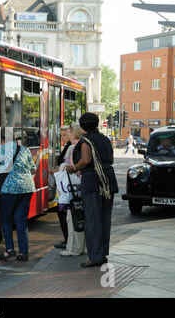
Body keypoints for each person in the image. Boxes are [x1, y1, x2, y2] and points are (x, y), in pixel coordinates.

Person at [65, 113, 119, 267]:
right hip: (108, 180)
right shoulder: (105, 139)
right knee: (104, 219)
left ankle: (95, 256)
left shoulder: (86, 141)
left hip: (93, 181)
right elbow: (112, 160)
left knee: (92, 219)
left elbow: (86, 160)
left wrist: (73, 167)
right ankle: (102, 254)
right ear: (96, 124)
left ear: (82, 127)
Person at [0, 129, 36, 261]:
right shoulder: (24, 149)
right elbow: (33, 169)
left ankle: (9, 250)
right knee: (21, 221)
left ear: (2, 140)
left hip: (10, 188)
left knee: (5, 218)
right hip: (27, 187)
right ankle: (23, 253)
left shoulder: (3, 149)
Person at [59, 123, 86, 257]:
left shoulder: (72, 147)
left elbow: (69, 166)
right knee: (82, 216)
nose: (67, 135)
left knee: (72, 218)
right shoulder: (84, 145)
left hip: (72, 186)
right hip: (82, 185)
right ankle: (83, 247)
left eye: (68, 133)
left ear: (73, 133)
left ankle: (73, 248)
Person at [53, 126, 72, 250]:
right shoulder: (68, 146)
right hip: (66, 184)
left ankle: (68, 241)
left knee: (63, 212)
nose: (62, 138)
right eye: (61, 135)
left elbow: (69, 166)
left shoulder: (71, 147)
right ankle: (68, 240)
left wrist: (56, 170)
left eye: (64, 135)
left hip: (67, 185)